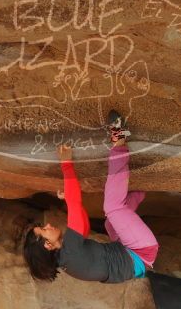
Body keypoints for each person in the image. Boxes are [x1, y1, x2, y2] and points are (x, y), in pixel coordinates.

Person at [23, 111, 159, 283]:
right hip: (141, 251)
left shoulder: (67, 259)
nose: (48, 225)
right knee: (112, 208)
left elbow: (83, 224)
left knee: (110, 223)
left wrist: (72, 202)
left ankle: (141, 188)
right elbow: (75, 202)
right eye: (44, 229)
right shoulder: (70, 251)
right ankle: (120, 135)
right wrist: (66, 164)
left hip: (131, 254)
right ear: (48, 245)